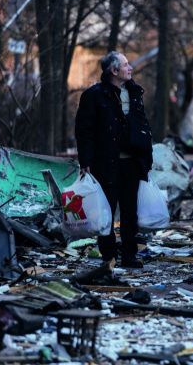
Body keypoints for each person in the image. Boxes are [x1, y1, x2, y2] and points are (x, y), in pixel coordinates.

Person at [75, 51, 153, 268]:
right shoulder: (94, 96)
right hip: (106, 163)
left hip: (132, 163)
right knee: (105, 210)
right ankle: (108, 255)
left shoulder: (135, 93)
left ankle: (129, 255)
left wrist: (146, 157)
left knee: (130, 212)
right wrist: (86, 162)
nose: (131, 68)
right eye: (126, 65)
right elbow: (85, 131)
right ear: (114, 71)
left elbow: (143, 126)